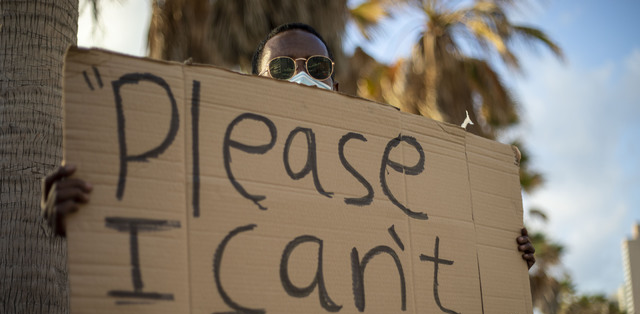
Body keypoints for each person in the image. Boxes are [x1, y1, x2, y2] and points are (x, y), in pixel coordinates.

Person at [42, 22, 536, 269]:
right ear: (254, 85)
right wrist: (80, 222)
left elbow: (430, 258)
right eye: (281, 70)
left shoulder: (390, 180)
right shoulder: (207, 170)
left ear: (335, 85)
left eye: (317, 69)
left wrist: (497, 255)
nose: (302, 78)